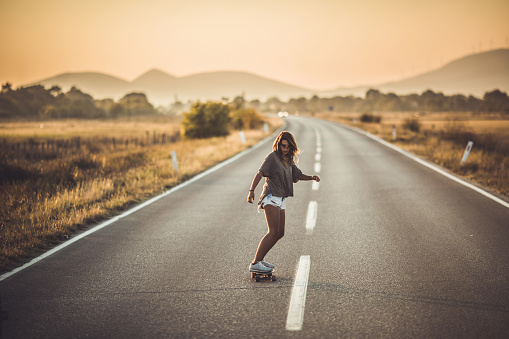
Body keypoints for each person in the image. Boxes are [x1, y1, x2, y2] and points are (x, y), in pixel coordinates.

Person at [247, 131, 320, 273]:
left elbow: (297, 175)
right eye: (283, 146)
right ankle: (255, 262)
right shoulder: (272, 157)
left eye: (288, 147)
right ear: (278, 144)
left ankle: (260, 259)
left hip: (280, 198)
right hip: (271, 197)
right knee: (273, 231)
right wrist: (251, 191)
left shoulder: (288, 159)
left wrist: (311, 177)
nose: (285, 149)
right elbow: (260, 173)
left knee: (280, 233)